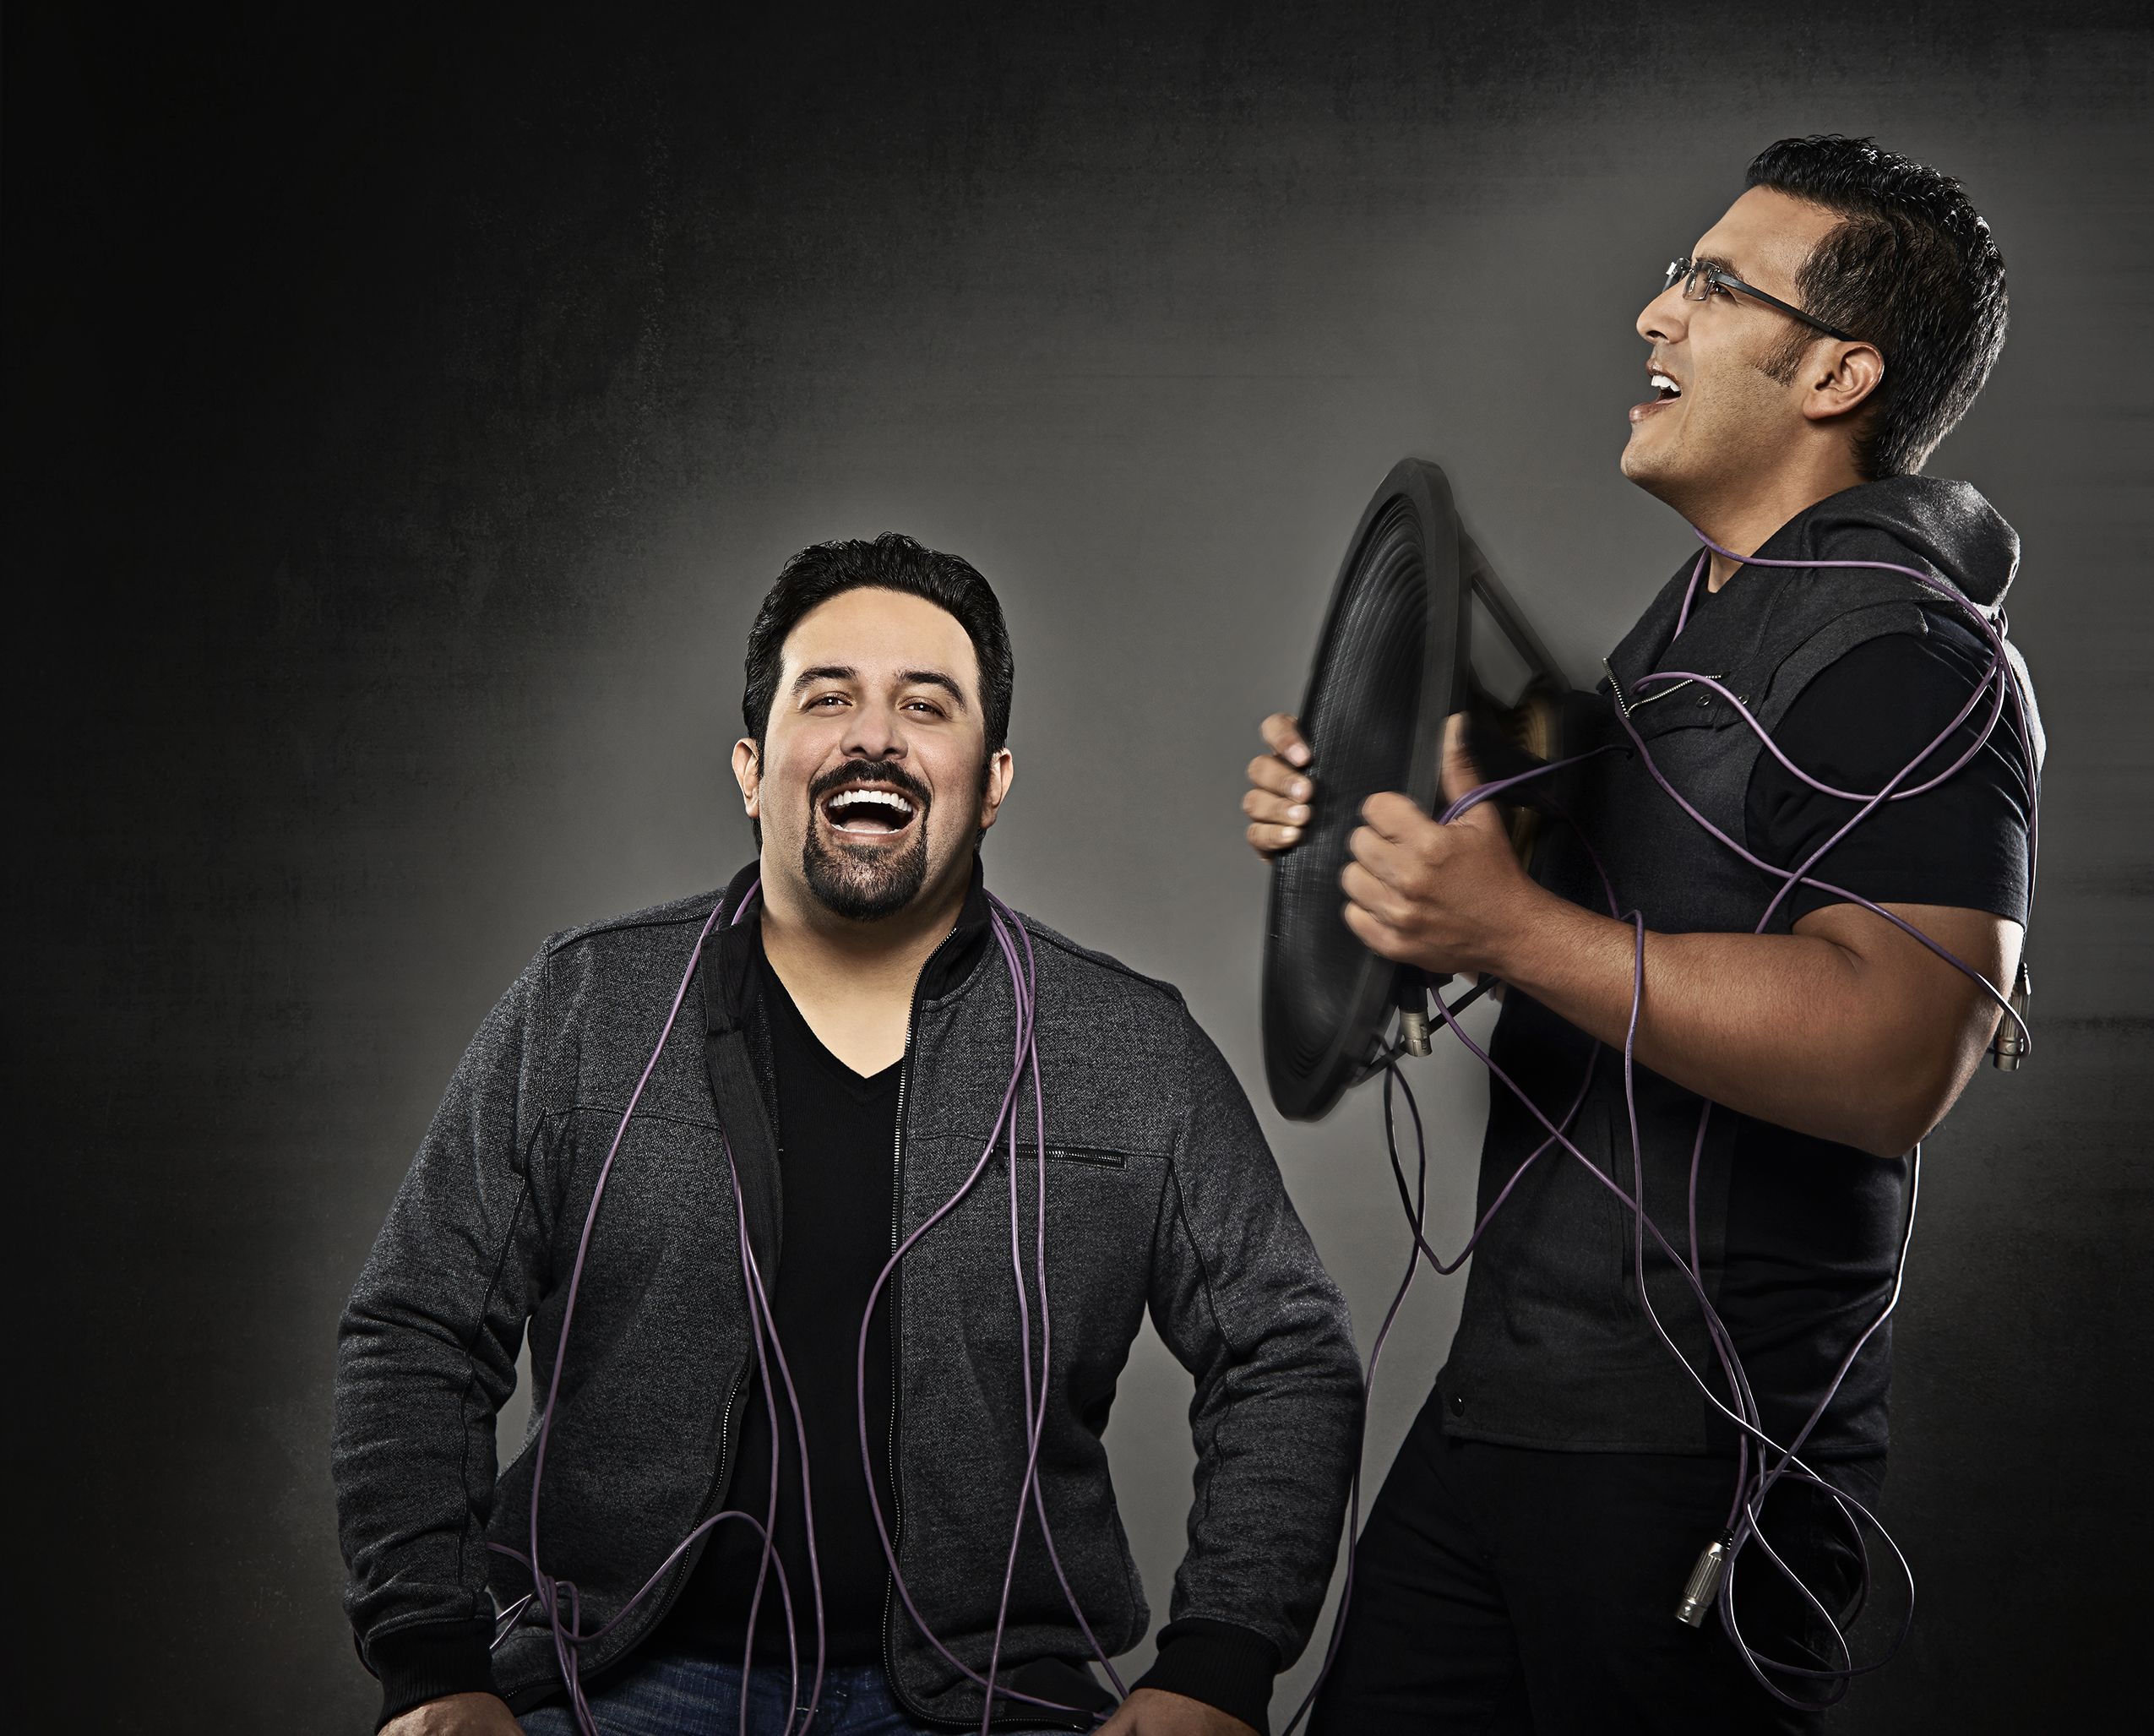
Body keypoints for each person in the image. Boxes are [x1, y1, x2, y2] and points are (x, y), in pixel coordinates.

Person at [1241, 136, 2038, 1733]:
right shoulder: (1692, 624)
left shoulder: (1904, 653)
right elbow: (1594, 927)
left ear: (1838, 374)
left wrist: (1511, 926)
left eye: (1713, 286)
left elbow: (1894, 1052)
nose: (1653, 313)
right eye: (1679, 274)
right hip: (1507, 1402)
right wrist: (1378, 850)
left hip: (1696, 1458)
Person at [336, 534, 1363, 1736]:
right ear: (751, 767)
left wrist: (1217, 1666)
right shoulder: (584, 1006)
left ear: (993, 781)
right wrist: (432, 1664)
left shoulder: (1129, 1046)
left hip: (988, 1692)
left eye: (926, 705)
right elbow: (417, 1328)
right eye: (828, 697)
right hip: (609, 1676)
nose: (874, 736)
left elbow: (1287, 1350)